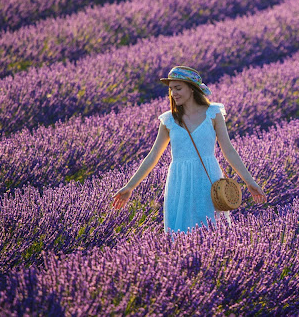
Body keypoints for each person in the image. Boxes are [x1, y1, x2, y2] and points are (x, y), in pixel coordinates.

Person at [111, 66, 267, 234]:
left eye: (178, 88)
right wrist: (129, 187)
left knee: (212, 231)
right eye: (171, 90)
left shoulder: (213, 114)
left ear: (192, 89)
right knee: (181, 234)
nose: (173, 94)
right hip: (180, 182)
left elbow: (228, 150)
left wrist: (250, 182)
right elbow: (153, 156)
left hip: (208, 181)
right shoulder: (169, 120)